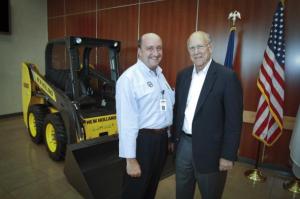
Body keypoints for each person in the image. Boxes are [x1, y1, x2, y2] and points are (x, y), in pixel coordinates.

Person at [172, 31, 243, 199]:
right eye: (192, 48)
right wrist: (173, 140)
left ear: (210, 47)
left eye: (200, 46)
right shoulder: (182, 75)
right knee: (182, 193)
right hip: (184, 146)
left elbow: (233, 122)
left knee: (211, 194)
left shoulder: (227, 77)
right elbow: (178, 111)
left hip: (213, 152)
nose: (196, 52)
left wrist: (228, 155)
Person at [116, 32, 175, 199]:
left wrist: (168, 136)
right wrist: (130, 160)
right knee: (134, 191)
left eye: (159, 48)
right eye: (150, 48)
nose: (155, 53)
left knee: (151, 187)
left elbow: (165, 107)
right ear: (139, 51)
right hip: (142, 143)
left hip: (160, 142)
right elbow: (126, 123)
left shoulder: (159, 75)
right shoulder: (129, 79)